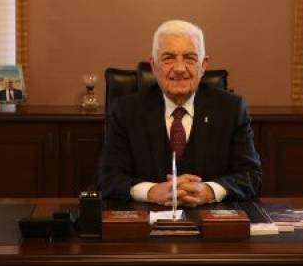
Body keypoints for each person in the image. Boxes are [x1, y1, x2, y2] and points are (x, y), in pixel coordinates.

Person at [97, 20, 261, 206]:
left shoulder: (231, 109)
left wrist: (209, 191)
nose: (180, 68)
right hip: (147, 218)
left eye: (190, 58)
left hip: (211, 218)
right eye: (168, 58)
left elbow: (251, 175)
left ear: (203, 65)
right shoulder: (125, 111)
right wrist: (150, 192)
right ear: (153, 65)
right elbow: (108, 178)